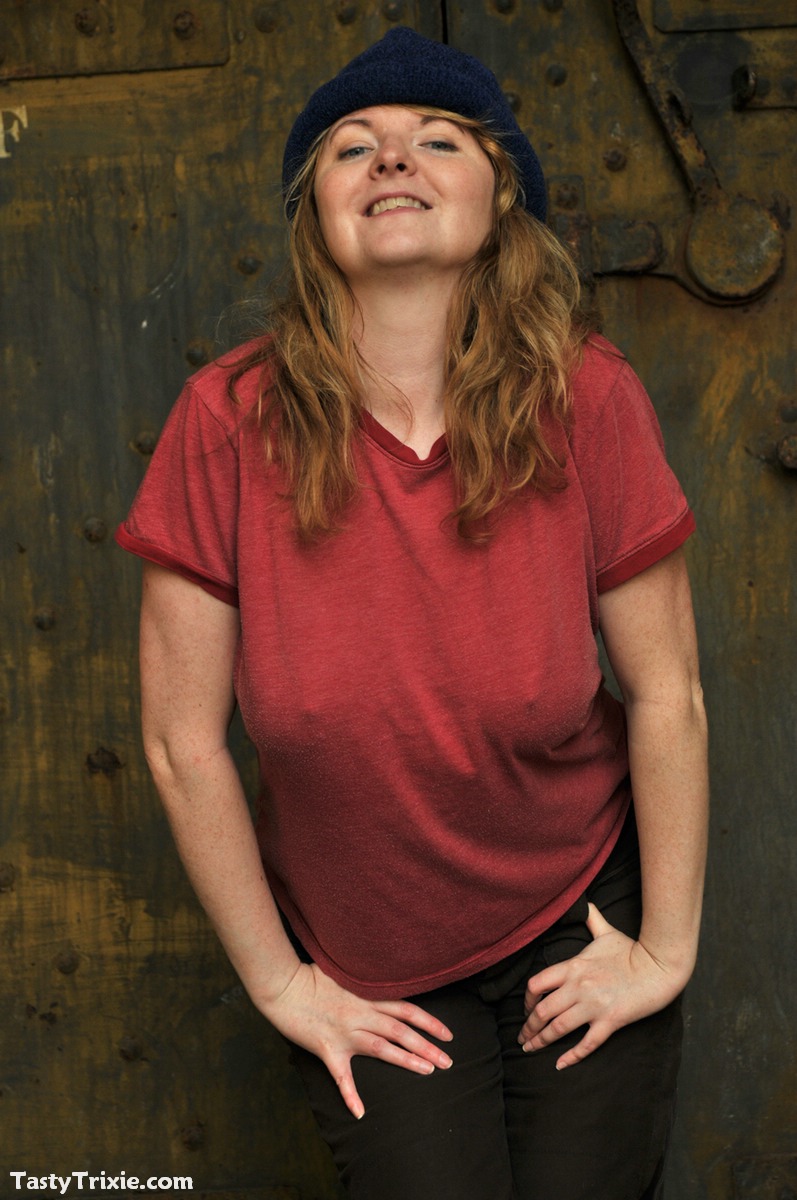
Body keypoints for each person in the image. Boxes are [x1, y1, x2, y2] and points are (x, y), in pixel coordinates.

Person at [116, 27, 709, 1200]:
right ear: (314, 217)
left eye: (437, 140)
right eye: (351, 148)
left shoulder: (584, 396)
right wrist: (281, 983)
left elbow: (666, 693)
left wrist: (663, 952)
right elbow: (182, 744)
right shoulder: (224, 420)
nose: (391, 158)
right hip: (365, 958)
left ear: (500, 199)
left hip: (576, 914)